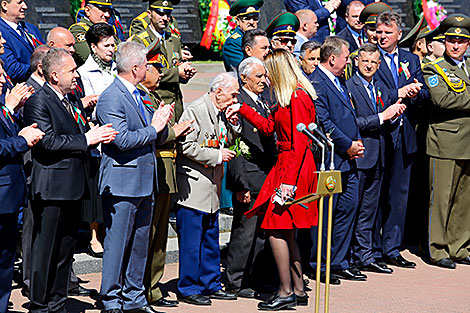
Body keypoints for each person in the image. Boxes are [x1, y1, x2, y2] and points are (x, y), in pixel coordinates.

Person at [23, 47, 118, 313]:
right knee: (46, 249)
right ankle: (40, 305)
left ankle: (58, 301)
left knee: (66, 249)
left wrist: (94, 132)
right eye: (71, 71)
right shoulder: (39, 101)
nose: (76, 76)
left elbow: (78, 129)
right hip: (52, 187)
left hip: (75, 186)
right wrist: (87, 139)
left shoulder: (71, 98)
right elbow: (47, 143)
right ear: (54, 75)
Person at [227, 49, 318, 310]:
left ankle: (286, 290)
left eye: (269, 72)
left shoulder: (297, 97)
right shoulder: (287, 95)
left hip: (293, 169)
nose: (266, 78)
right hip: (288, 165)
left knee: (277, 228)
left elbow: (299, 144)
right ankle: (297, 289)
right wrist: (243, 108)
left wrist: (288, 183)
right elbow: (269, 127)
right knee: (286, 231)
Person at [96, 41, 173, 313]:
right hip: (122, 182)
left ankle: (134, 297)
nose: (150, 69)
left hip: (144, 180)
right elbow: (122, 140)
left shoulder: (139, 93)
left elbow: (155, 133)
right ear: (136, 67)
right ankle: (111, 299)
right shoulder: (111, 97)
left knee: (141, 243)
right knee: (118, 244)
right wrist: (155, 128)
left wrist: (162, 123)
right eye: (147, 65)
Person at [174, 72, 240, 306]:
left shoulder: (223, 111)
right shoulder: (196, 110)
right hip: (193, 185)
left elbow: (228, 140)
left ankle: (210, 283)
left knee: (210, 239)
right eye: (232, 95)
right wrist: (216, 155)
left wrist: (234, 124)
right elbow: (185, 146)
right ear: (218, 91)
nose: (234, 100)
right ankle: (189, 287)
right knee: (192, 242)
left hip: (211, 185)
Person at [374, 11, 429, 269]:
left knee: (399, 195)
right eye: (379, 31)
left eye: (387, 32)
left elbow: (425, 94)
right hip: (379, 134)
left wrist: (416, 93)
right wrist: (397, 92)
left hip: (405, 134)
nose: (382, 36)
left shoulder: (410, 59)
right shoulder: (369, 57)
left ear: (399, 34)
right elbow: (365, 90)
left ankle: (392, 248)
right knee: (376, 193)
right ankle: (371, 249)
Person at [140, 42, 193, 308]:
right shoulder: (139, 96)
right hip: (152, 170)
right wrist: (176, 131)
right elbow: (151, 134)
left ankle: (153, 285)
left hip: (166, 170)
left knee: (160, 234)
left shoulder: (155, 97)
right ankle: (142, 286)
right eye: (156, 68)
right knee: (148, 233)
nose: (161, 74)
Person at [346, 43, 405, 274]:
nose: (369, 66)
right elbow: (354, 123)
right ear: (356, 62)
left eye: (373, 62)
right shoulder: (349, 87)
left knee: (370, 209)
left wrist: (393, 114)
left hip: (379, 155)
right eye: (364, 61)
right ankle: (348, 256)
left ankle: (365, 254)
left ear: (379, 65)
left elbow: (384, 115)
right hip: (359, 156)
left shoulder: (379, 87)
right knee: (354, 207)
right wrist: (382, 117)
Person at [311, 36, 366, 284]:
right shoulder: (318, 82)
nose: (348, 63)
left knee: (348, 209)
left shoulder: (338, 79)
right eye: (346, 58)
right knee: (327, 214)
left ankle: (338, 261)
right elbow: (324, 122)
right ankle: (320, 265)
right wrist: (347, 145)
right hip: (331, 158)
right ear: (332, 58)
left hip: (349, 159)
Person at [225, 57, 277, 298]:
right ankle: (236, 280)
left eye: (264, 76)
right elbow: (234, 147)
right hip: (249, 178)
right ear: (244, 78)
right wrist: (240, 183)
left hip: (266, 176)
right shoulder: (238, 103)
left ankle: (256, 277)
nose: (263, 81)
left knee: (261, 234)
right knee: (244, 233)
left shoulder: (264, 101)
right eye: (258, 77)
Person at [422, 14, 470, 269]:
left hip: (468, 142)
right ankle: (438, 249)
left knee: (464, 199)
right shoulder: (434, 68)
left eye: (460, 42)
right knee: (441, 199)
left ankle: (459, 246)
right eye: (451, 40)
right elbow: (444, 100)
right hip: (445, 141)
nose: (455, 45)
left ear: (468, 44)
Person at [0, 59, 44, 313]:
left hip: (10, 195)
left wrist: (16, 115)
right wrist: (21, 140)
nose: (3, 79)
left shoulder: (3, 106)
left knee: (5, 259)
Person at [130, 0, 196, 122]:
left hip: (176, 103)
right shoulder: (141, 41)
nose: (165, 18)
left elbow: (175, 65)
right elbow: (144, 75)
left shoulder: (173, 40)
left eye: (168, 14)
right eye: (160, 13)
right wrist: (177, 72)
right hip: (156, 102)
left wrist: (185, 73)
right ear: (149, 14)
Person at [344, 1, 392, 80]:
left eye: (379, 31)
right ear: (365, 31)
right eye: (372, 30)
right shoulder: (355, 56)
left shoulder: (391, 56)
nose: (375, 35)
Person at [0, 0, 44, 83]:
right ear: (4, 5)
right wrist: (42, 68)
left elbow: (45, 54)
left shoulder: (31, 28)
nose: (25, 6)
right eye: (20, 2)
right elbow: (12, 69)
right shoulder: (1, 32)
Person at [69, 0, 120, 67]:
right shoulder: (79, 30)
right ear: (87, 11)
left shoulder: (109, 31)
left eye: (109, 11)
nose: (107, 15)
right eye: (103, 10)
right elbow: (93, 59)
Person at [222, 0, 264, 71]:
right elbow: (243, 70)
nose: (251, 22)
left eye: (255, 18)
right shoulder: (232, 43)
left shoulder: (260, 38)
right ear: (238, 21)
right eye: (247, 18)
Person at [78, 22, 117, 96]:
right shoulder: (84, 72)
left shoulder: (119, 68)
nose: (111, 49)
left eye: (112, 45)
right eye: (106, 46)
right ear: (94, 47)